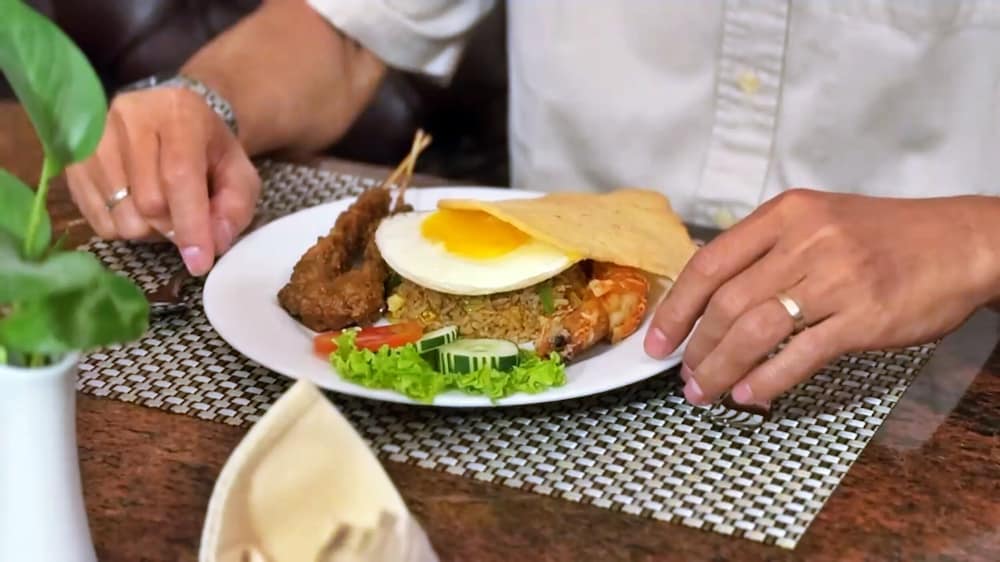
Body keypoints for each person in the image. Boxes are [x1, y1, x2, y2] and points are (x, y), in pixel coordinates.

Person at [66, 0, 1000, 410]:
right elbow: (347, 33)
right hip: (554, 378)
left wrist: (976, 237)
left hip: (935, 367)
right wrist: (200, 105)